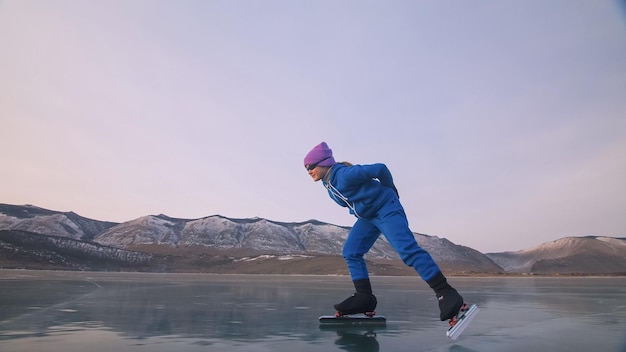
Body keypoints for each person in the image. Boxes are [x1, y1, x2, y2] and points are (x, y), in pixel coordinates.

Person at [303, 141, 465, 323]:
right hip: (368, 217)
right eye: (306, 168)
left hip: (386, 208)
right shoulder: (329, 184)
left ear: (324, 162)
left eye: (311, 166)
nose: (308, 171)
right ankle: (364, 297)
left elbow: (380, 168)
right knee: (351, 252)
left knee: (407, 250)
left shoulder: (345, 174)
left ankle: (445, 292)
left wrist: (391, 190)